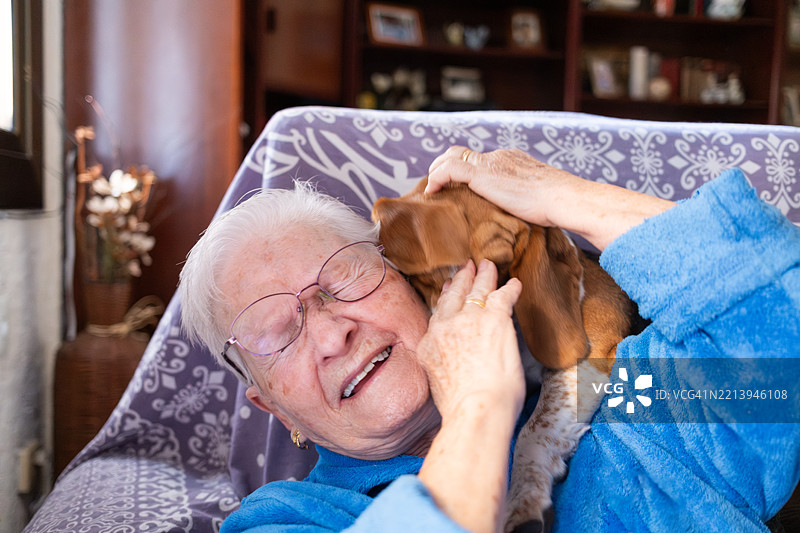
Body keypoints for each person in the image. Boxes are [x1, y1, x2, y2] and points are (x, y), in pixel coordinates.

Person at [179, 146, 800, 533]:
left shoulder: (616, 400)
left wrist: (564, 198)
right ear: (274, 408)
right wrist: (477, 409)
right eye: (277, 334)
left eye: (345, 278)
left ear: (415, 280)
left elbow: (782, 351)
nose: (331, 332)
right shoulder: (285, 520)